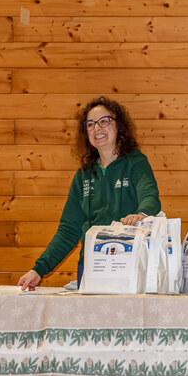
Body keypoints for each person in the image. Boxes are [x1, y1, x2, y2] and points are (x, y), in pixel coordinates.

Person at [17, 97, 161, 291]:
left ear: (119, 126)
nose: (97, 128)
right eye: (90, 124)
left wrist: (141, 215)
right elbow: (68, 231)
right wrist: (38, 270)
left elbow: (150, 197)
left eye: (104, 121)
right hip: (91, 267)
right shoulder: (83, 175)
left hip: (129, 264)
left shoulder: (136, 162)